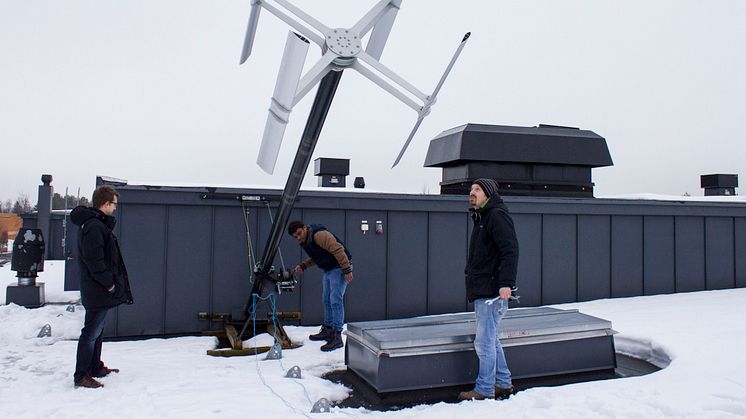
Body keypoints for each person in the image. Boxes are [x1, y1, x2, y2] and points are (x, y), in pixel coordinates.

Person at [458, 178, 519, 401]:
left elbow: (510, 250)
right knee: (491, 340)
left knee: (484, 342)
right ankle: (503, 383)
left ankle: (484, 389)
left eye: (477, 190)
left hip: (492, 292)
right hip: (484, 288)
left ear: (489, 194)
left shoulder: (496, 216)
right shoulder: (483, 217)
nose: (472, 193)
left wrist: (506, 284)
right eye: (471, 189)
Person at [70, 186, 133, 388]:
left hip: (98, 290)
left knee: (97, 330)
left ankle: (95, 366)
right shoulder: (94, 227)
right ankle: (81, 375)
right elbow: (94, 261)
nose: (115, 208)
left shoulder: (96, 225)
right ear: (105, 203)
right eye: (114, 204)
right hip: (98, 289)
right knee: (90, 332)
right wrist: (110, 284)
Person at [288, 220, 352, 352]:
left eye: (299, 233)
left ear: (305, 228)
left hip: (339, 268)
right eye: (296, 237)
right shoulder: (307, 242)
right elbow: (318, 257)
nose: (298, 237)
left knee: (335, 300)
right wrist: (304, 265)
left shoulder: (319, 235)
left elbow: (338, 250)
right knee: (326, 299)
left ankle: (337, 335)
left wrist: (347, 270)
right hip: (329, 269)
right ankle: (328, 329)